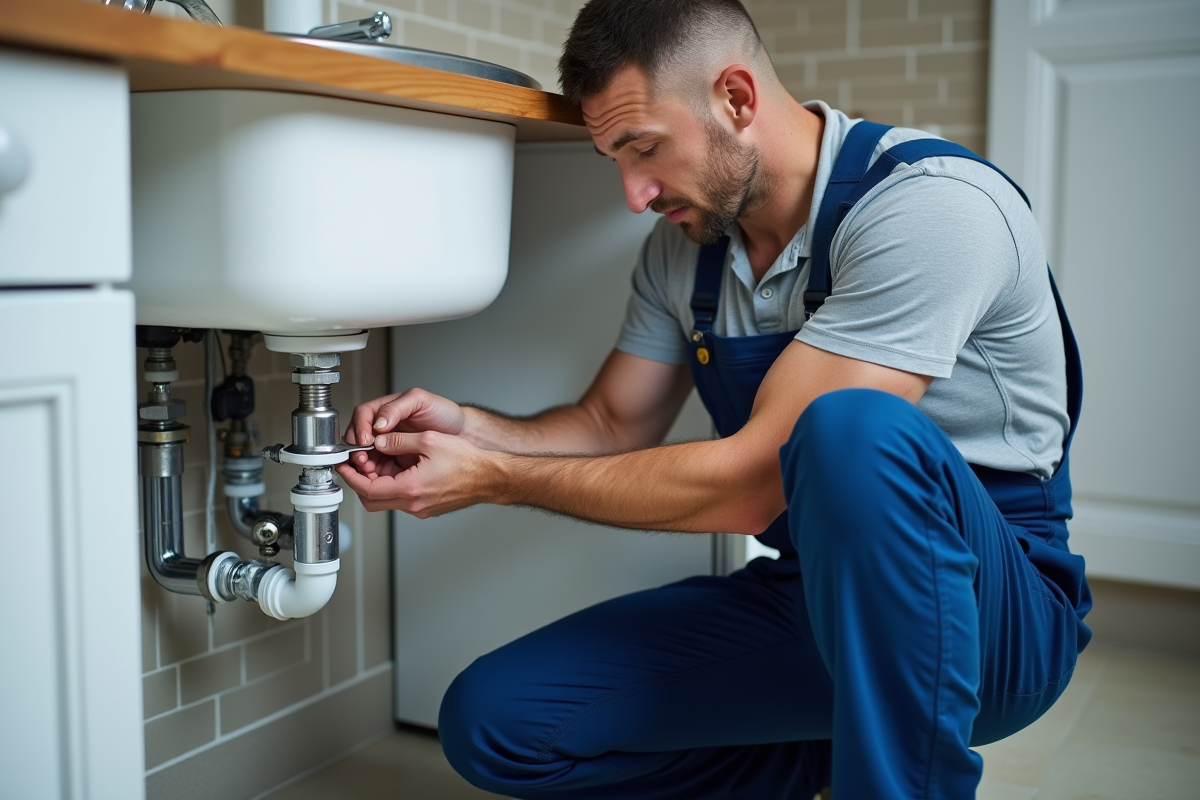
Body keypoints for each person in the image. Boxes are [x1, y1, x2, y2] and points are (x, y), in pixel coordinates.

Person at [336, 0, 1092, 796]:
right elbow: (609, 422)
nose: (634, 194)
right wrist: (471, 433)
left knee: (852, 430)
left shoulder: (931, 207)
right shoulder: (684, 253)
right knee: (495, 721)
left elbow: (755, 485)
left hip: (992, 615)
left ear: (736, 97)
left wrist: (493, 480)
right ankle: (813, 764)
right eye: (615, 159)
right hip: (808, 593)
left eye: (644, 148)